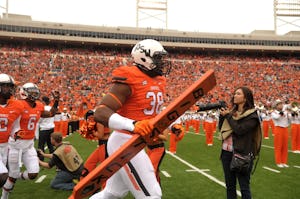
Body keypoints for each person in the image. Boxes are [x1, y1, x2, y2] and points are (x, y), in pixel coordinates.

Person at [91, 39, 171, 199]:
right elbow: (100, 112)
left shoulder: (159, 80)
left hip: (137, 142)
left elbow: (150, 112)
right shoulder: (130, 77)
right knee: (152, 196)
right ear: (143, 58)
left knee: (111, 194)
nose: (162, 62)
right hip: (124, 142)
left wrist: (174, 124)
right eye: (158, 58)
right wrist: (133, 125)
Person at [1, 83, 60, 199]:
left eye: (35, 91)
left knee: (33, 174)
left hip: (29, 145)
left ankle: (15, 176)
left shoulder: (38, 105)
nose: (34, 93)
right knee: (11, 176)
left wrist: (56, 100)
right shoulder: (18, 104)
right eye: (31, 91)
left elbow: (51, 113)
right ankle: (4, 196)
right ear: (24, 93)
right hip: (15, 145)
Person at [219, 86, 262, 199]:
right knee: (230, 186)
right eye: (235, 93)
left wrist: (228, 116)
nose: (235, 95)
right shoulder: (232, 112)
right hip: (227, 152)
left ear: (245, 98)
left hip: (242, 154)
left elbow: (239, 130)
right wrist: (222, 117)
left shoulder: (252, 116)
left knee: (244, 187)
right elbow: (222, 129)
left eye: (238, 94)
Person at [0, 74, 23, 188]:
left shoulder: (16, 106)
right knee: (2, 176)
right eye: (7, 86)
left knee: (3, 178)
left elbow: (15, 126)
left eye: (11, 87)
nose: (10, 89)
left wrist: (16, 133)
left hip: (5, 146)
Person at [79, 110, 110, 189]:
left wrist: (91, 131)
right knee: (89, 164)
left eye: (90, 118)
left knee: (104, 168)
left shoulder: (99, 122)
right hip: (102, 145)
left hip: (105, 145)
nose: (90, 120)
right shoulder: (99, 120)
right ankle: (86, 183)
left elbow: (100, 135)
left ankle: (106, 189)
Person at [271, 99, 291, 167]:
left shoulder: (285, 112)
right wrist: (281, 113)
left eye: (281, 104)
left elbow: (290, 121)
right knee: (278, 146)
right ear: (276, 106)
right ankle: (278, 162)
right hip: (278, 129)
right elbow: (276, 118)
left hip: (285, 129)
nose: (281, 105)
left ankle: (284, 162)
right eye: (279, 104)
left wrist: (289, 115)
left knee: (285, 146)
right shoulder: (273, 112)